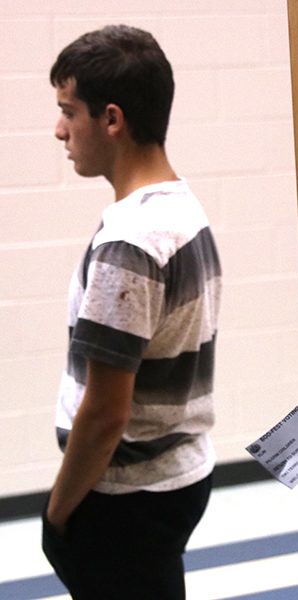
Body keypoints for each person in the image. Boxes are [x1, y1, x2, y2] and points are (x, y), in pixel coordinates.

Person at [42, 25, 222, 599]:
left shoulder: (132, 243)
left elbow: (104, 415)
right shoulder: (181, 208)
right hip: (175, 478)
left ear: (112, 119)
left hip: (125, 499)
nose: (59, 130)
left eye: (69, 111)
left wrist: (58, 513)